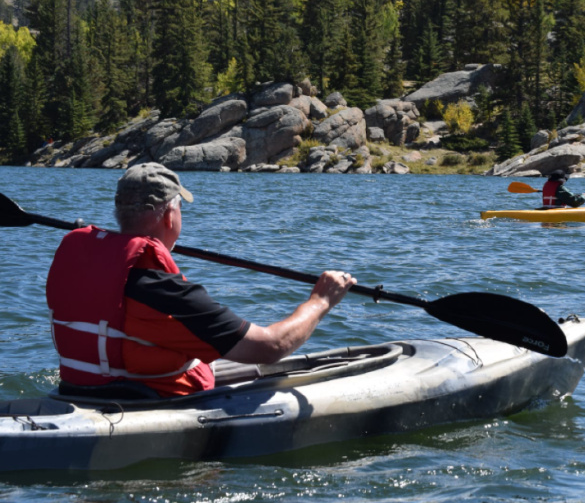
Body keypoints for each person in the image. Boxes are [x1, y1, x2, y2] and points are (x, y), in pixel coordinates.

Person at [45, 162, 356, 398]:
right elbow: (271, 347)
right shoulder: (163, 290)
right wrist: (321, 300)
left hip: (82, 391)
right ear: (169, 216)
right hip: (148, 401)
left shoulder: (81, 270)